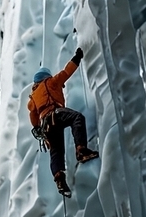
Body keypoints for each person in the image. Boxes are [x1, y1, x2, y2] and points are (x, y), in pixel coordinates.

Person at [27, 47, 99, 197]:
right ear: (46, 76)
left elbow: (33, 118)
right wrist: (77, 58)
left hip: (46, 125)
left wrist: (39, 129)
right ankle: (81, 150)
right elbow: (67, 72)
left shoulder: (33, 97)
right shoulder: (51, 82)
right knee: (77, 118)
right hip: (56, 113)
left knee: (56, 151)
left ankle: (59, 179)